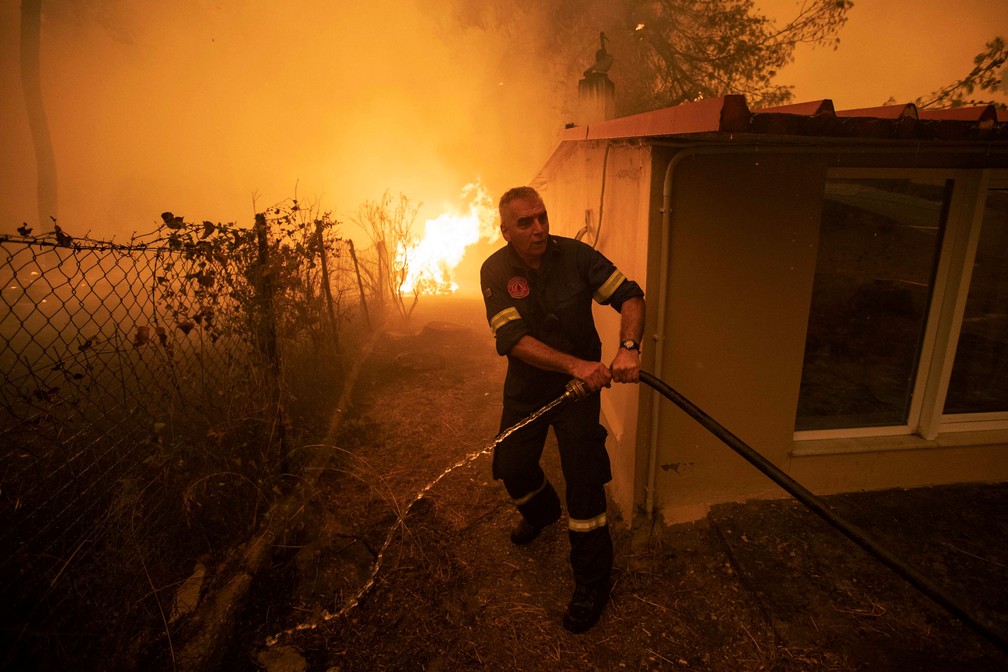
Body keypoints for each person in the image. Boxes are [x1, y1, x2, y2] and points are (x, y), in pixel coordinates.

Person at [480, 185, 645, 633]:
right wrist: (576, 365)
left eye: (542, 217)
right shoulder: (495, 270)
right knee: (512, 465)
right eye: (525, 222)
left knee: (584, 481)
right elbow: (513, 340)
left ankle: (592, 582)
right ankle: (541, 513)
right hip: (529, 387)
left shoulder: (577, 256)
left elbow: (630, 295)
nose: (538, 228)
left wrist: (629, 347)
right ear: (506, 231)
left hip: (580, 392)